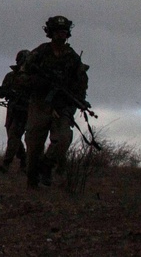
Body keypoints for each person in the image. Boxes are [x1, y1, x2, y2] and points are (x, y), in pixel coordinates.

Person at [20, 15, 89, 189]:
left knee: (63, 139)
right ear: (51, 33)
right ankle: (32, 183)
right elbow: (22, 76)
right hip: (40, 103)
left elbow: (81, 80)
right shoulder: (40, 52)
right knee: (34, 144)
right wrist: (38, 82)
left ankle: (47, 166)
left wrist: (79, 99)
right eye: (58, 31)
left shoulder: (72, 57)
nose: (61, 35)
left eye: (64, 31)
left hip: (62, 104)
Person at [0, 50, 30, 173]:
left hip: (26, 110)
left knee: (15, 136)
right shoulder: (11, 76)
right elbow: (3, 93)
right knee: (13, 136)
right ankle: (23, 159)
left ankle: (6, 163)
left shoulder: (33, 77)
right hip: (13, 110)